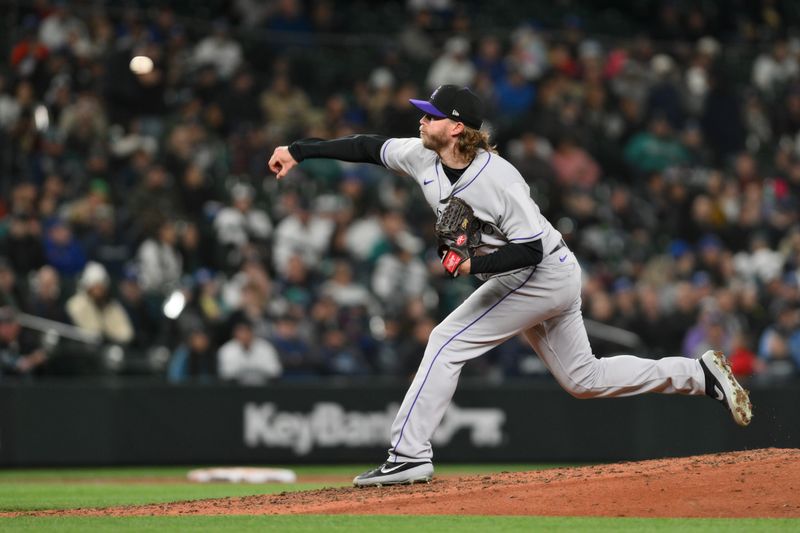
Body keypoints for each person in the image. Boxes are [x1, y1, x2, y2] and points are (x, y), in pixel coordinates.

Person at [267, 84, 753, 488]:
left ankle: (408, 455)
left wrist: (474, 263)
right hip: (538, 275)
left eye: (432, 116)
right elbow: (366, 147)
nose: (421, 120)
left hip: (542, 274)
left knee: (445, 341)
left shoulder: (497, 179)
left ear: (456, 127)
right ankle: (698, 374)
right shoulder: (421, 156)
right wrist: (299, 151)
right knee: (584, 380)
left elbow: (531, 249)